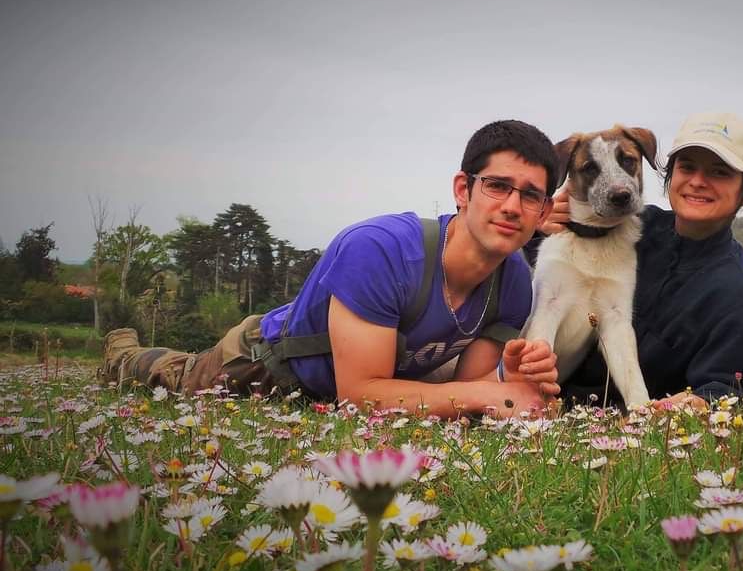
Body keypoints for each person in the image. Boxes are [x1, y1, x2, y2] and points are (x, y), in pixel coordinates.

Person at [102, 120, 564, 418]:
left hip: (348, 387)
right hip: (267, 364)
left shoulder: (516, 282)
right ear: (463, 189)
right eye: (498, 186)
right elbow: (360, 394)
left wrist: (506, 377)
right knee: (176, 378)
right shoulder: (380, 250)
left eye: (530, 195)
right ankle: (121, 350)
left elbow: (462, 393)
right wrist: (489, 394)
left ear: (544, 211)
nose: (511, 206)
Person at [535, 112, 743, 412]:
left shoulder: (735, 291)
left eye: (719, 172)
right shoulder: (628, 224)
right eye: (687, 167)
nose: (698, 182)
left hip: (617, 423)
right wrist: (539, 226)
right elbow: (534, 283)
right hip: (544, 395)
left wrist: (685, 406)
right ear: (669, 174)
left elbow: (735, 388)